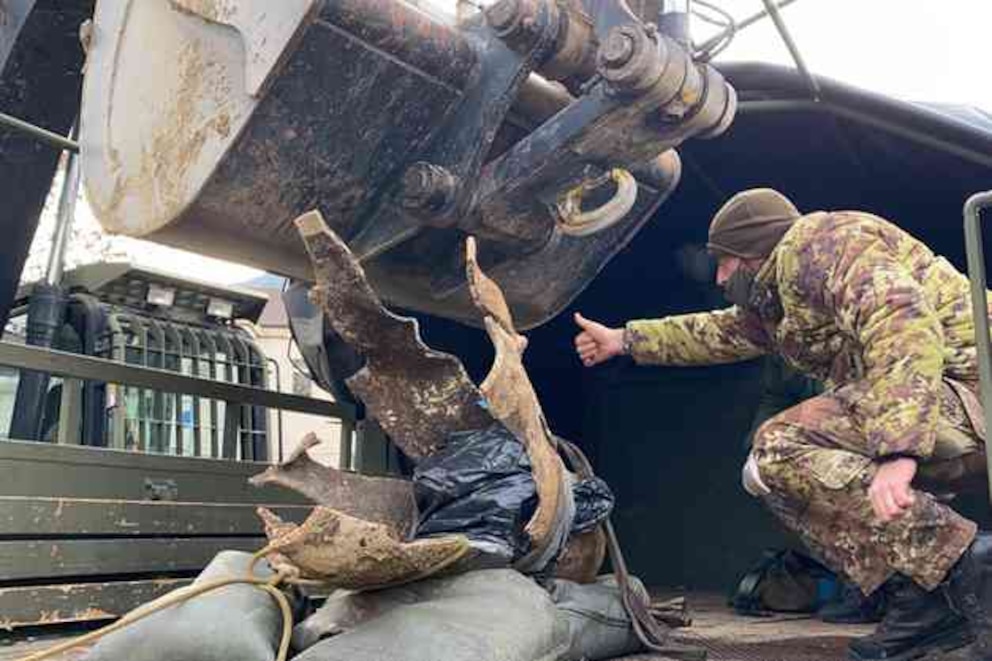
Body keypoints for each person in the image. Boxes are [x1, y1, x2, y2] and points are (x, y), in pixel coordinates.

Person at [573, 188, 992, 661]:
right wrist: (625, 340)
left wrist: (898, 452)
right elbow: (720, 332)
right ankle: (927, 593)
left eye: (725, 262)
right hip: (942, 401)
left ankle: (965, 564)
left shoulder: (823, 246)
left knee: (779, 446)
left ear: (753, 253)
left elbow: (903, 322)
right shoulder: (781, 294)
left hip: (974, 393)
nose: (719, 276)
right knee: (768, 470)